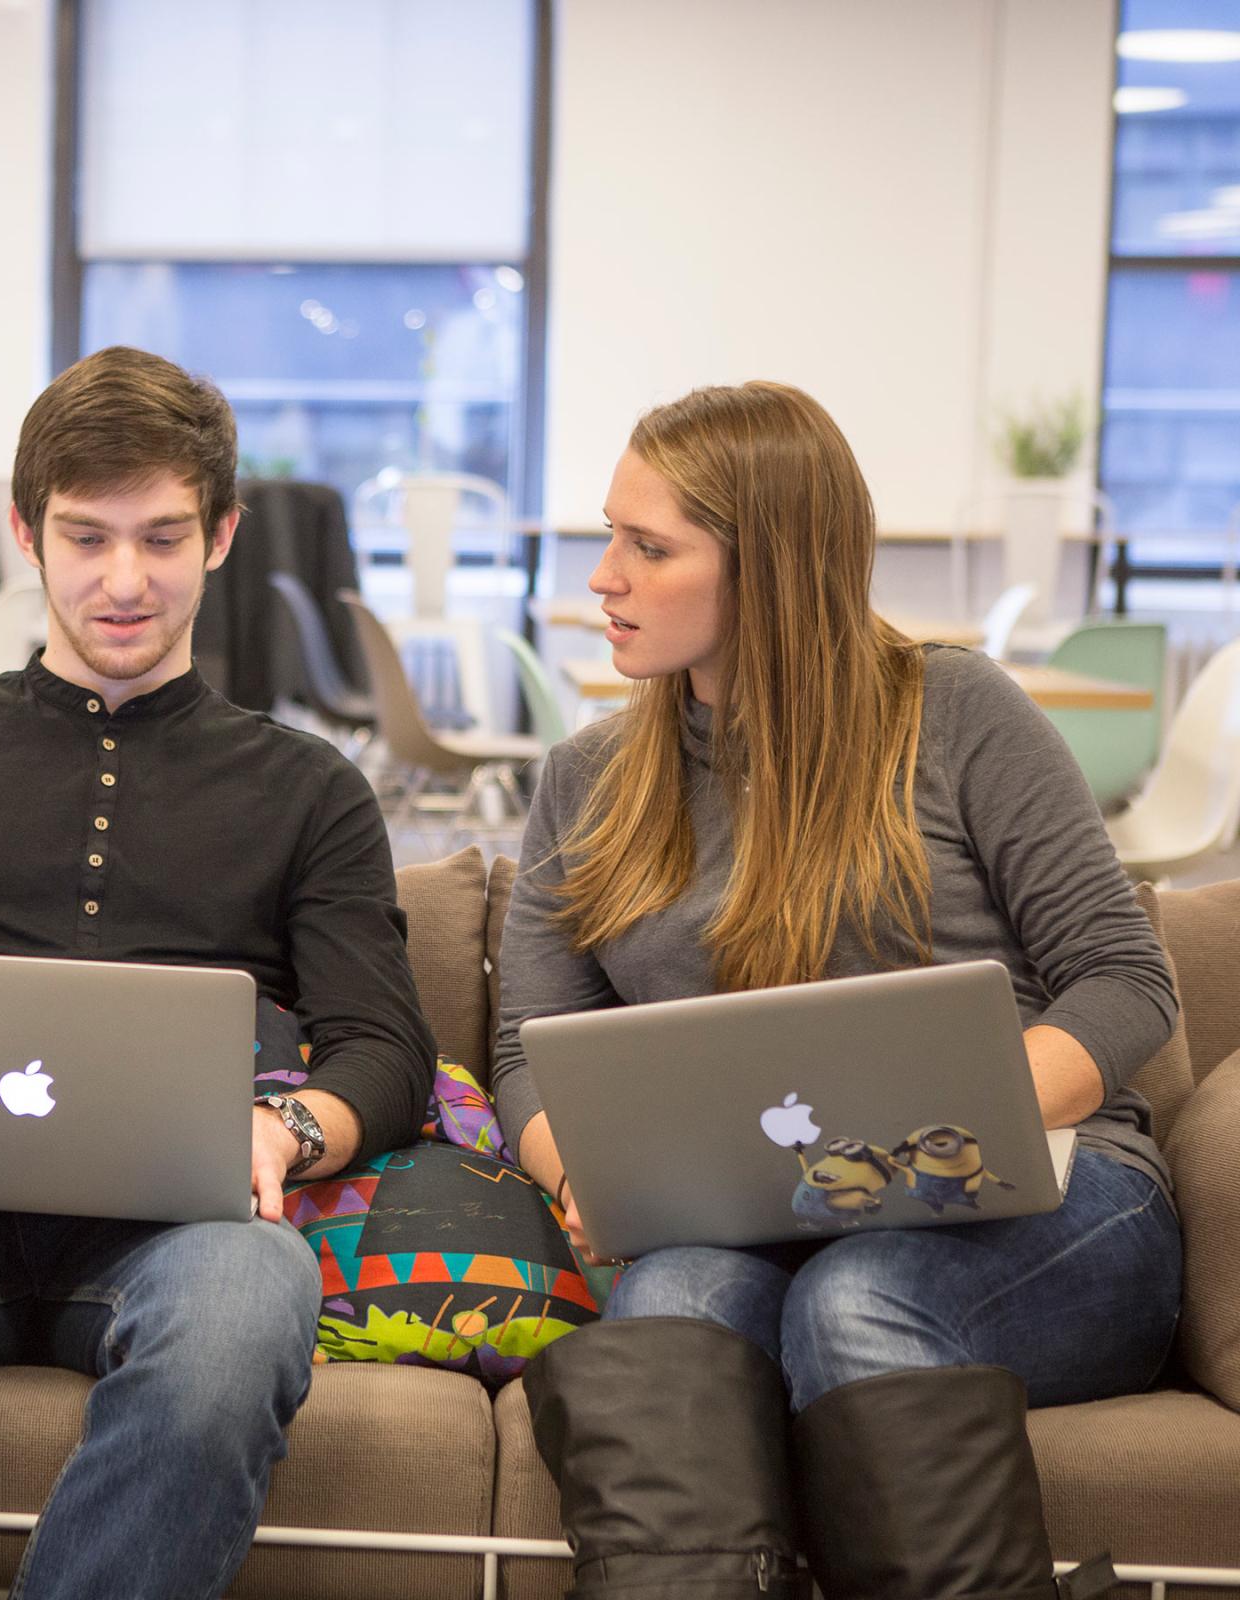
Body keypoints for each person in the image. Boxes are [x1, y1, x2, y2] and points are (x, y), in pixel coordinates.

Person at [0, 344, 435, 1599]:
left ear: (220, 535)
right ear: (24, 533)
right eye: (86, 537)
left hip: (178, 1237)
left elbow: (384, 1050)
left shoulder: (308, 789)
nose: (125, 581)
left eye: (163, 538)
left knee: (247, 1302)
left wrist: (283, 1126)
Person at [492, 382, 1180, 1600]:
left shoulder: (957, 713)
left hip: (1048, 1206)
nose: (601, 576)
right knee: (667, 1302)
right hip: (747, 1223)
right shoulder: (587, 776)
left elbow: (1125, 983)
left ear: (770, 567)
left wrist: (947, 1131)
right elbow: (529, 1051)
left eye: (648, 547)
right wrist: (574, 1170)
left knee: (858, 1297)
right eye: (609, 534)